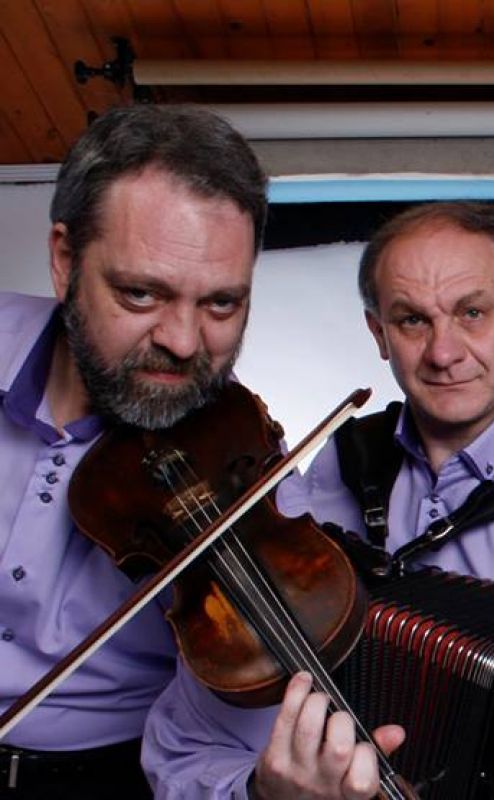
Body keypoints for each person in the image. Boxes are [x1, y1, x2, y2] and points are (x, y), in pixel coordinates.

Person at [142, 201, 494, 800]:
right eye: (411, 321)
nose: (443, 352)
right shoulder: (331, 479)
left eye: (472, 312)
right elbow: (187, 744)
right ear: (378, 333)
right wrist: (261, 792)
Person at [0, 104, 267, 799]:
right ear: (65, 261)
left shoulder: (247, 478)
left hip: (109, 778)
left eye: (220, 304)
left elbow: (211, 751)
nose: (183, 341)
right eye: (142, 293)